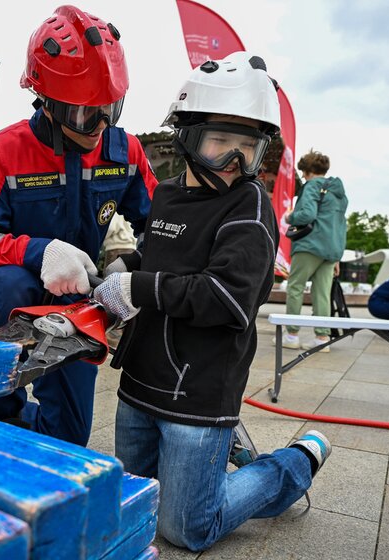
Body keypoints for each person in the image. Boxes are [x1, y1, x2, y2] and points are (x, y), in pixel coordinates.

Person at [93, 52, 331, 552]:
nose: (234, 161)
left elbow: (228, 297)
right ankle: (215, 463)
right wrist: (127, 267)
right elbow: (165, 259)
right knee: (138, 504)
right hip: (140, 381)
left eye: (248, 147)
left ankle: (294, 462)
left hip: (198, 394)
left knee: (186, 529)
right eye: (220, 141)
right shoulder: (167, 197)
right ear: (187, 137)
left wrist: (139, 288)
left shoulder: (250, 206)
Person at [0, 5, 157, 446]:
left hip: (78, 299)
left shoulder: (126, 152)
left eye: (109, 109)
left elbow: (160, 223)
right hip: (15, 296)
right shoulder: (2, 154)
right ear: (47, 102)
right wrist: (37, 252)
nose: (99, 127)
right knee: (6, 287)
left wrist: (131, 268)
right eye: (84, 114)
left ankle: (26, 434)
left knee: (70, 437)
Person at [278, 150, 348, 352]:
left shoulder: (311, 186)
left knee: (295, 287)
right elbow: (339, 224)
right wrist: (337, 257)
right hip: (332, 248)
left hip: (310, 245)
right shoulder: (339, 193)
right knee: (322, 293)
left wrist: (290, 217)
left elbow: (307, 214)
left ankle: (291, 335)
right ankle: (321, 338)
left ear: (307, 171)